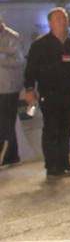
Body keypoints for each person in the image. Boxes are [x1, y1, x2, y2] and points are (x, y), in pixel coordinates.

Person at [21, 8, 70, 178]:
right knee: (51, 129)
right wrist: (29, 89)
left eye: (64, 18)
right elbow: (31, 70)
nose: (63, 22)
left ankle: (65, 163)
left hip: (69, 95)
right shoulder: (40, 45)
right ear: (50, 23)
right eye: (59, 19)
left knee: (66, 130)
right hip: (49, 94)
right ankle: (52, 166)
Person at [0, 10, 24, 167]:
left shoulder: (12, 37)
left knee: (6, 123)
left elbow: (19, 60)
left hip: (8, 88)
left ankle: (11, 155)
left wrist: (1, 57)